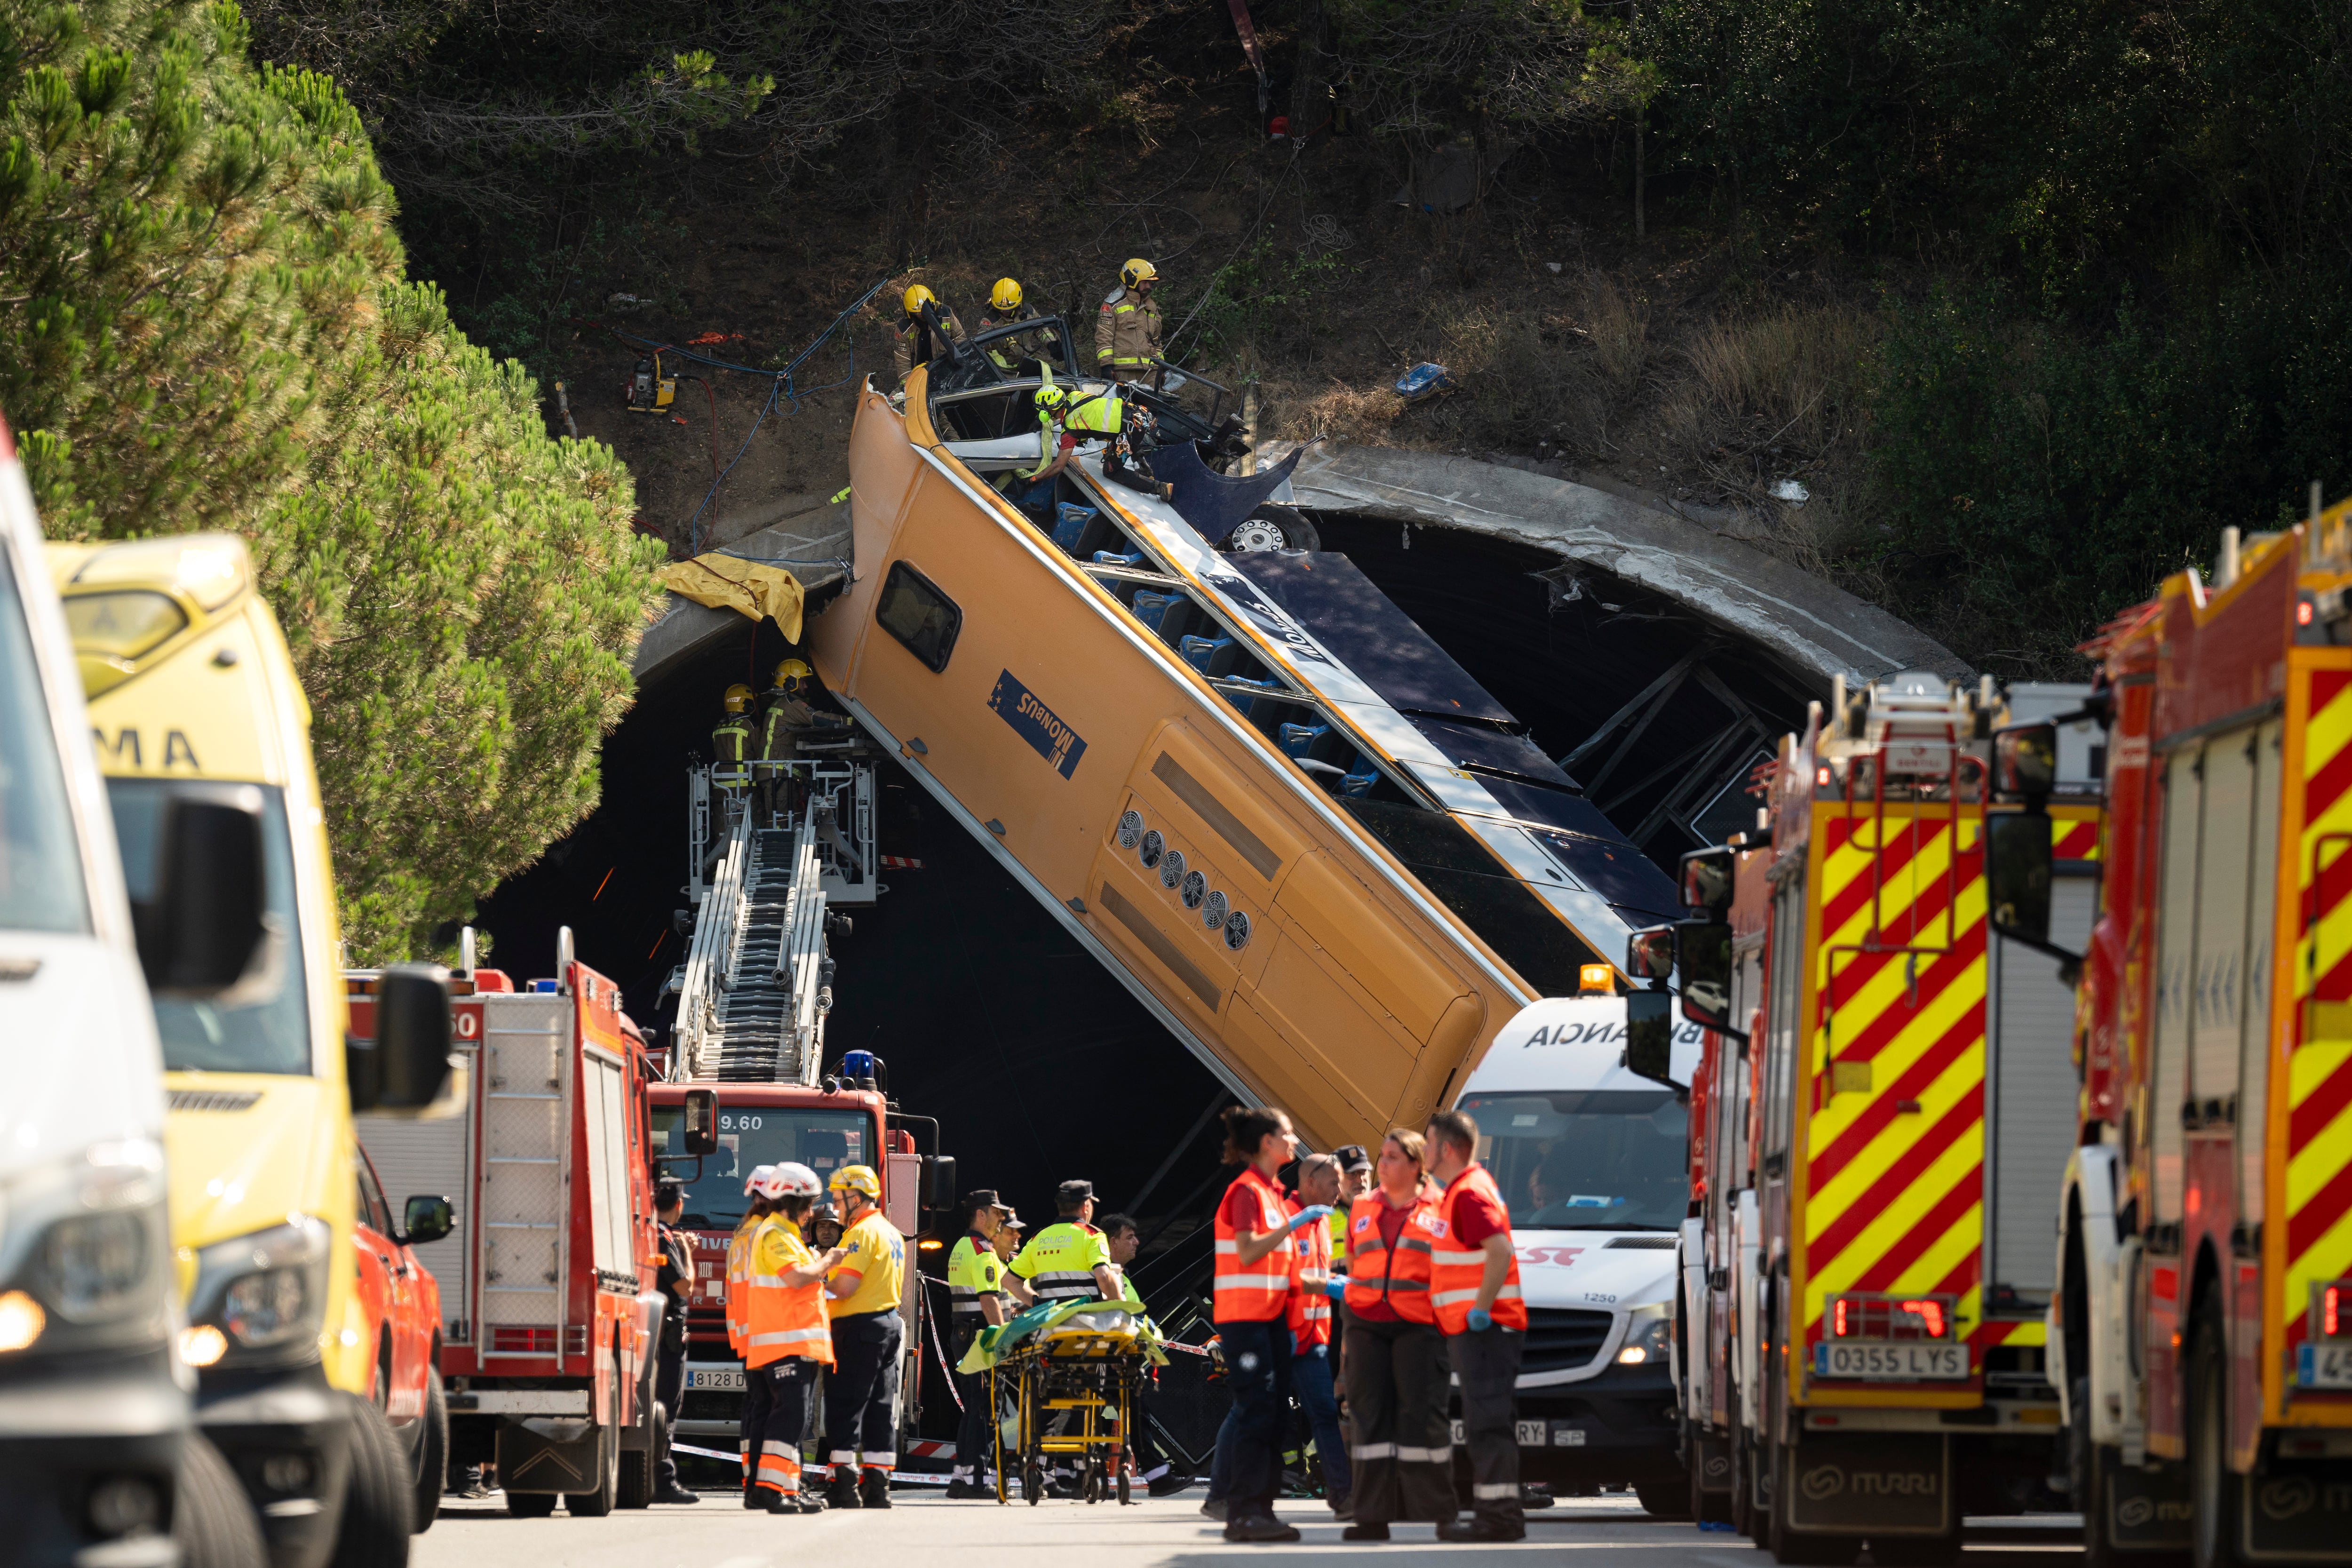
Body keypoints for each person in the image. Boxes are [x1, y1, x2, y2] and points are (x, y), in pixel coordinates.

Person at [1210, 1105, 1330, 1543]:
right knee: (1257, 1411)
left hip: (1271, 1317)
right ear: (1267, 1142)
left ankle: (1260, 1509)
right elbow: (1247, 1250)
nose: (1295, 1140)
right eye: (1289, 1133)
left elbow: (1280, 1265)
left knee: (1275, 1414)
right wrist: (1295, 1223)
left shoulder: (1272, 1192)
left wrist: (1327, 1284)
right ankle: (1244, 1511)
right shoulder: (1247, 1192)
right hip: (1247, 1319)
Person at [1337, 1130, 1452, 1541]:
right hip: (1367, 1322)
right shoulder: (1363, 1207)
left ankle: (1439, 1511)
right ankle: (1371, 1516)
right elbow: (1355, 1266)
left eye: (1391, 1157)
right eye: (1381, 1156)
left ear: (1416, 1164)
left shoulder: (1439, 1207)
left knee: (1423, 1418)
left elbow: (1451, 1269)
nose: (1382, 1165)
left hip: (1419, 1325)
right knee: (1369, 1421)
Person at [1425, 1107, 1526, 1543]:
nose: (1423, 1151)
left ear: (1446, 1149)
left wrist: (1480, 1309)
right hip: (1478, 1329)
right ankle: (1498, 1513)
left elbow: (1499, 1250)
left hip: (1483, 1329)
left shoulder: (1467, 1192)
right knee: (1488, 1420)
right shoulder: (1466, 1189)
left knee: (1487, 1422)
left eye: (1428, 1143)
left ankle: (1499, 1516)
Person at [742, 1163, 847, 1513]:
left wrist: (818, 1259)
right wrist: (828, 1260)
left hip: (793, 1341)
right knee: (790, 1416)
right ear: (790, 1201)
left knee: (796, 1418)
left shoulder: (785, 1233)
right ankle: (770, 1490)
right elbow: (798, 1278)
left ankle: (784, 1487)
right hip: (784, 1342)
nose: (810, 1213)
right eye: (807, 1204)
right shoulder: (775, 1234)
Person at [820, 1164, 907, 1509]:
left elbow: (845, 1286)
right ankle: (878, 1485)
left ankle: (843, 1485)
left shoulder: (859, 1234)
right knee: (880, 1409)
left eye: (839, 1199)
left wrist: (815, 1279)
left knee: (844, 1406)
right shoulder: (891, 1232)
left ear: (855, 1196)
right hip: (887, 1325)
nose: (836, 1207)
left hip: (856, 1329)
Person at [1095, 1212, 1193, 1498]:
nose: (1137, 1242)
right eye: (1129, 1237)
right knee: (1122, 1410)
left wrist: (1152, 1338)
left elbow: (1139, 1318)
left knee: (1135, 1410)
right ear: (1112, 1243)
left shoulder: (1121, 1277)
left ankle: (1154, 1475)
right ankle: (1151, 1476)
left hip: (1121, 1358)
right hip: (1108, 1360)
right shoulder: (1105, 1276)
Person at [1285, 1153, 1351, 1519]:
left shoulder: (1323, 1221)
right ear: (1311, 1183)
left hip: (1311, 1339)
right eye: (1333, 1183)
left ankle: (1344, 1495)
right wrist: (1333, 1284)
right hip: (1279, 1336)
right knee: (1252, 1413)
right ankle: (1222, 1493)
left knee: (1325, 1413)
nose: (1338, 1191)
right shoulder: (1286, 1219)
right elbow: (1284, 1278)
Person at [945, 1189, 1013, 1498]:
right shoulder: (983, 1250)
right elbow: (989, 1300)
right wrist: (1002, 1340)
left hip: (964, 1335)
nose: (1002, 1220)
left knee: (973, 1408)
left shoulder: (961, 1246)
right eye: (997, 1214)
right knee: (985, 1410)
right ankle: (976, 1481)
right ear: (981, 1214)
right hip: (980, 1341)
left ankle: (961, 1478)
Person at [650, 1179, 701, 1504]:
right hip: (667, 1336)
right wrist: (687, 1252)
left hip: (656, 1332)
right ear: (679, 1204)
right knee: (666, 1407)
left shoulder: (649, 1232)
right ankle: (662, 1480)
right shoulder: (665, 1238)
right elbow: (686, 1287)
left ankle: (654, 1475)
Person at [728, 1164, 776, 1496]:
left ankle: (752, 1478)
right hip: (769, 1332)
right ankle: (767, 1481)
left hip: (748, 1335)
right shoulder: (767, 1234)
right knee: (775, 1411)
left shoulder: (742, 1233)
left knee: (756, 1408)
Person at [1009, 1180, 1121, 1305]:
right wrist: (1120, 1306)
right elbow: (1104, 1277)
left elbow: (1009, 1280)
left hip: (1052, 1322)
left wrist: (1038, 1305)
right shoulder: (1092, 1235)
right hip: (1088, 1321)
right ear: (1085, 1207)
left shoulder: (1038, 1238)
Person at [1096, 259, 1163, 384]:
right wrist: (1107, 366)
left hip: (1150, 372)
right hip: (1123, 372)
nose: (1148, 286)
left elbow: (1157, 342)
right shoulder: (1112, 305)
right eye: (1144, 282)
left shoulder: (1151, 307)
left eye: (1149, 282)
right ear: (1132, 280)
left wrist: (1161, 367)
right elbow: (1104, 337)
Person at [893, 284, 967, 383]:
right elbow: (902, 359)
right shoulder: (904, 328)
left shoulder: (946, 314)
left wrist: (962, 366)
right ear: (909, 312)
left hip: (948, 370)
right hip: (919, 375)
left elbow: (960, 338)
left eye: (922, 312)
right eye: (917, 313)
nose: (921, 315)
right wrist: (907, 383)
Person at [712, 684, 755, 783]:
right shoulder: (748, 725)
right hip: (743, 787)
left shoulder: (718, 728)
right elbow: (761, 751)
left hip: (719, 787)